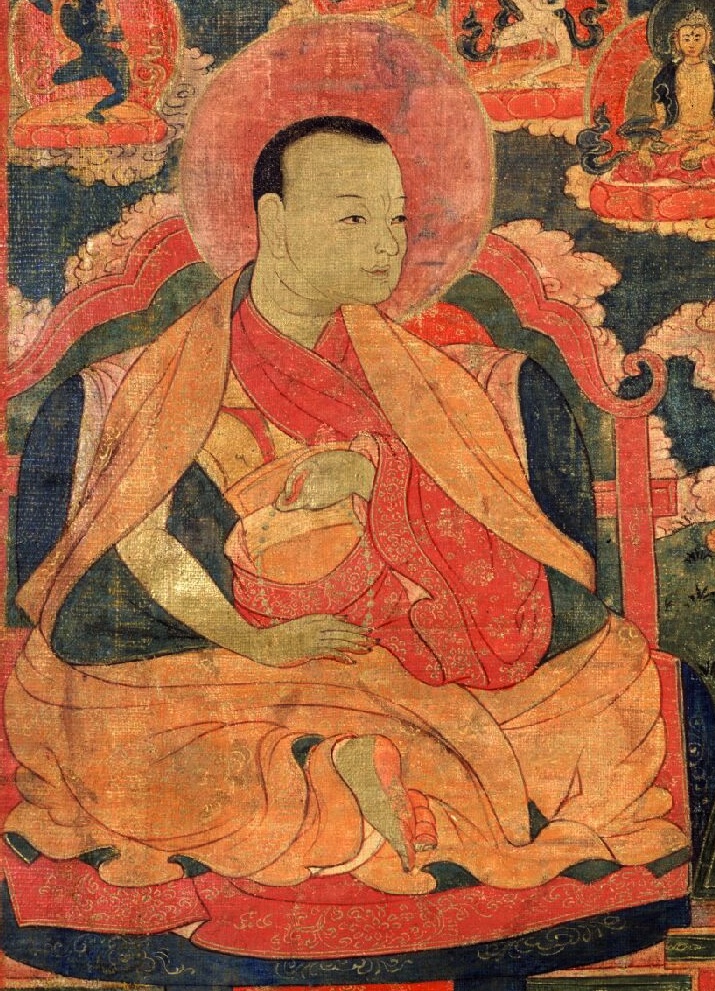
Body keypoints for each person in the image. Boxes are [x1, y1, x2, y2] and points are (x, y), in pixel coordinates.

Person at [4, 114, 687, 899]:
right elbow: (122, 566)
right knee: (87, 708)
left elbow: (505, 556)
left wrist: (376, 480)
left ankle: (335, 773)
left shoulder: (436, 381)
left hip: (398, 633)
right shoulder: (155, 383)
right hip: (226, 660)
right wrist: (258, 640)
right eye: (354, 219)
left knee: (606, 668)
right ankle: (344, 771)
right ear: (273, 222)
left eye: (395, 219)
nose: (386, 245)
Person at [645, 8, 715, 170]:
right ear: (677, 41)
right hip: (678, 133)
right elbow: (661, 118)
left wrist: (709, 135)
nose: (692, 44)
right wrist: (646, 145)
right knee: (658, 159)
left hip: (710, 132)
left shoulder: (713, 71)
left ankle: (702, 151)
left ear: (708, 39)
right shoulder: (668, 74)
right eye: (686, 38)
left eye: (697, 38)